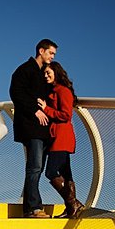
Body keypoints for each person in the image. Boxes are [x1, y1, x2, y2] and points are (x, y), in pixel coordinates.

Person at [9, 39, 57, 218]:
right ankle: (34, 208)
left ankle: (31, 207)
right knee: (34, 167)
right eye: (50, 53)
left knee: (37, 168)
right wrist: (35, 111)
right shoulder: (24, 70)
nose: (52, 57)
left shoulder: (44, 74)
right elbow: (16, 93)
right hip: (31, 128)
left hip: (43, 130)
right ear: (41, 51)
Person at [38, 62, 85, 218]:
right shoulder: (54, 90)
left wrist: (46, 109)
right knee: (66, 173)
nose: (46, 76)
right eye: (44, 73)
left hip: (62, 136)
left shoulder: (62, 91)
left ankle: (73, 203)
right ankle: (71, 208)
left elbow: (66, 115)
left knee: (51, 172)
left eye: (48, 72)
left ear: (56, 72)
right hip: (57, 136)